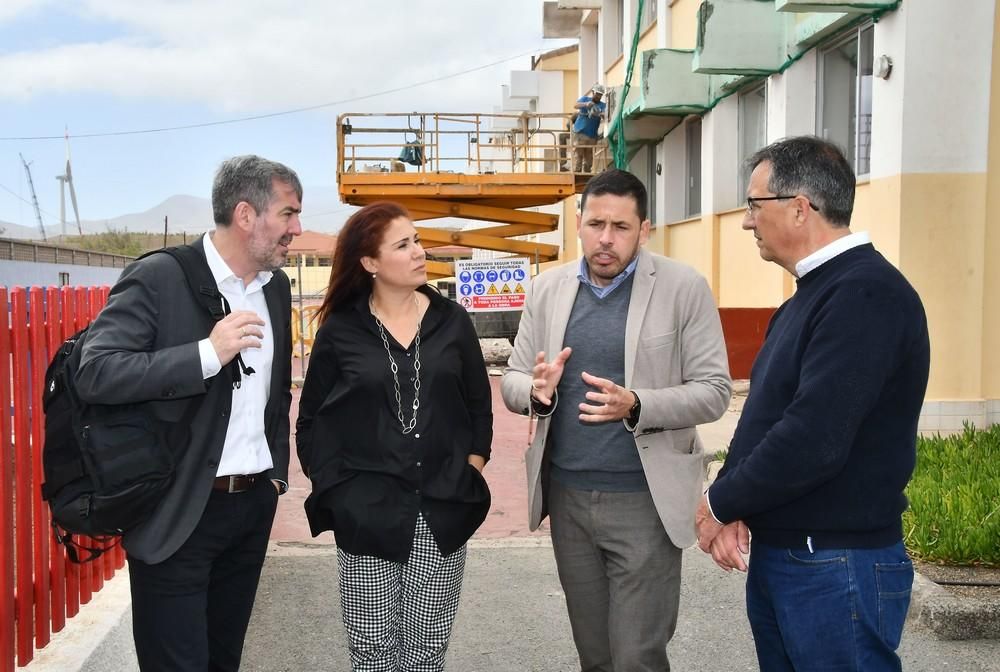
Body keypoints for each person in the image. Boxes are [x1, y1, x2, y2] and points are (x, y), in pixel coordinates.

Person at [695, 136, 930, 671]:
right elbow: (764, 420)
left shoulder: (866, 294)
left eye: (754, 205)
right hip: (797, 556)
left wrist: (720, 503)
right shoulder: (812, 296)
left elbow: (813, 438)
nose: (747, 221)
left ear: (799, 208)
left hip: (835, 561)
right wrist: (738, 502)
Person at [75, 155, 302, 671]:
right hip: (178, 515)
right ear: (246, 215)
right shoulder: (158, 277)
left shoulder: (276, 288)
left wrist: (275, 481)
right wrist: (206, 353)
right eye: (288, 214)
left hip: (250, 511)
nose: (298, 228)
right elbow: (97, 372)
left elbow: (277, 395)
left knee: (224, 662)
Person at [501, 169, 732, 671]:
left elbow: (714, 392)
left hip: (644, 500)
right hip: (568, 498)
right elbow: (513, 379)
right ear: (578, 223)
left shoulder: (683, 287)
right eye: (596, 224)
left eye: (621, 227)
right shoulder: (547, 289)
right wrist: (538, 395)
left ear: (644, 230)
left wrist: (638, 404)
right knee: (596, 655)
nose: (606, 239)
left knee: (636, 657)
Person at [296, 201, 492, 672]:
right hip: (365, 512)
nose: (419, 252)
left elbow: (478, 408)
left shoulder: (453, 321)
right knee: (371, 650)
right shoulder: (341, 330)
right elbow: (311, 422)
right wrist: (337, 489)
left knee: (427, 652)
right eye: (403, 245)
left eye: (418, 240)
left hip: (442, 507)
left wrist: (470, 472)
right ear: (370, 263)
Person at [572, 84, 607, 173]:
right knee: (578, 155)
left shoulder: (602, 105)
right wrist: (585, 104)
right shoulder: (585, 99)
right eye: (597, 94)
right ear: (593, 92)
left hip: (592, 135)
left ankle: (586, 175)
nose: (598, 96)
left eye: (600, 95)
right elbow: (575, 105)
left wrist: (600, 113)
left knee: (589, 157)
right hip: (580, 132)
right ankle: (577, 173)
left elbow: (605, 114)